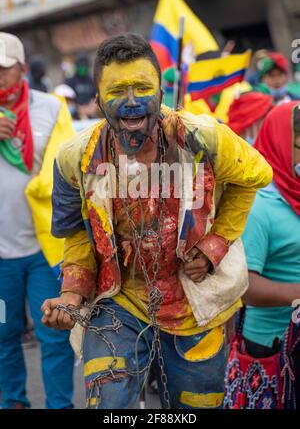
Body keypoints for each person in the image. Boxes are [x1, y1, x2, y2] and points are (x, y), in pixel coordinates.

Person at [41, 33, 272, 409]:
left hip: (195, 304)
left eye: (142, 87)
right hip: (118, 301)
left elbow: (255, 177)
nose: (132, 102)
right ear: (97, 100)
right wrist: (71, 293)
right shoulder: (75, 160)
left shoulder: (205, 138)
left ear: (161, 93)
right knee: (109, 405)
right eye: (118, 90)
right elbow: (74, 234)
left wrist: (217, 243)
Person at [0, 32, 75, 409]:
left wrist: (38, 184)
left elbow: (65, 165)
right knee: (2, 333)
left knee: (55, 333)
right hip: (0, 257)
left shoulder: (52, 107)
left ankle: (60, 404)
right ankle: (12, 402)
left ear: (22, 69)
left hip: (47, 249)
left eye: (3, 70)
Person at [225, 102, 300, 409]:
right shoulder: (260, 205)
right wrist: (296, 294)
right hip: (272, 347)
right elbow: (244, 285)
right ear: (282, 142)